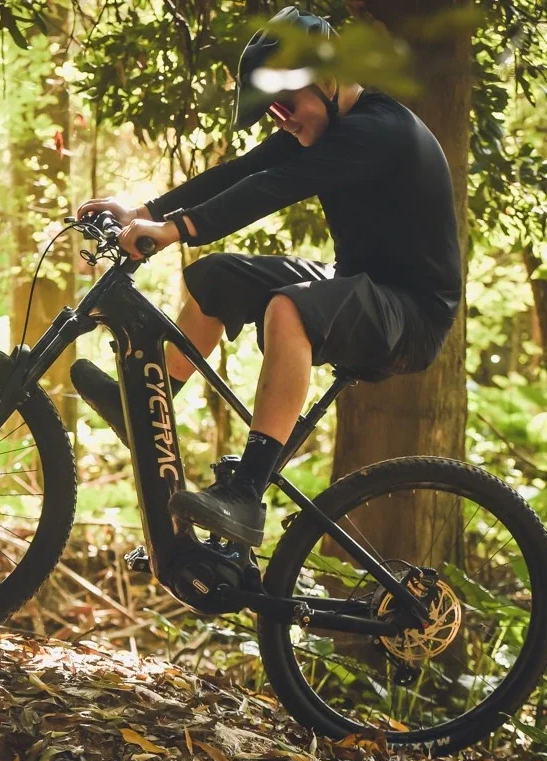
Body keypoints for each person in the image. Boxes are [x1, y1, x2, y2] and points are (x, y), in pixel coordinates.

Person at [71, 6, 462, 548]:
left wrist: (176, 229)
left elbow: (270, 189)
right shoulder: (327, 129)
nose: (282, 120)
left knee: (290, 307)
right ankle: (139, 406)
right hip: (359, 285)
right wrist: (145, 211)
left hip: (412, 315)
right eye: (273, 112)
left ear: (326, 78)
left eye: (285, 104)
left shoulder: (378, 130)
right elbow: (243, 172)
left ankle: (247, 494)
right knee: (215, 276)